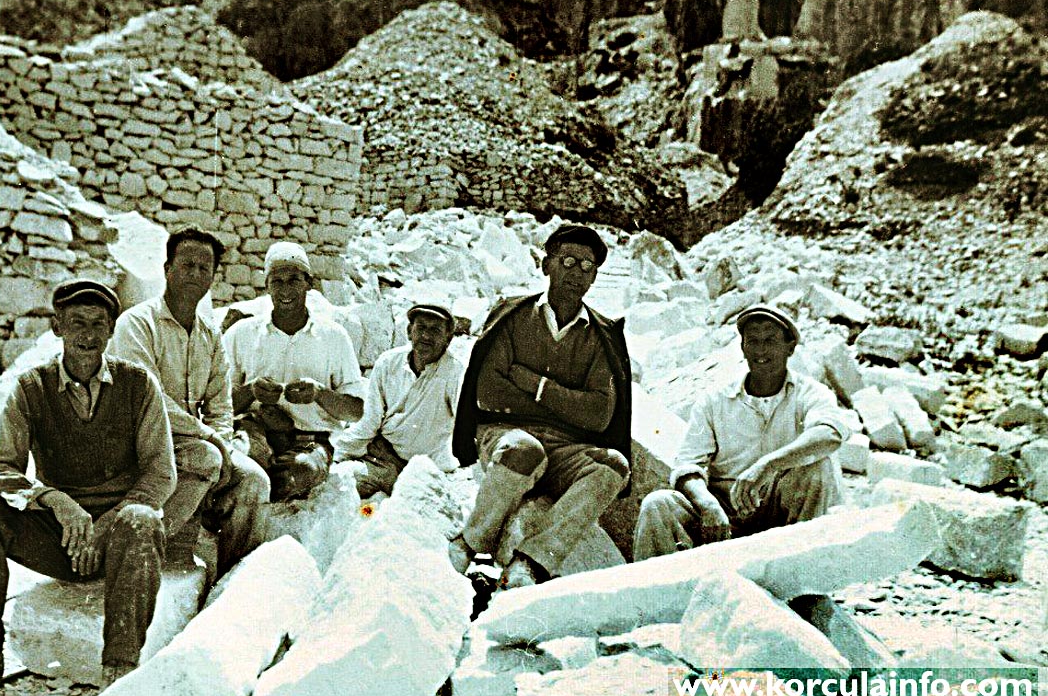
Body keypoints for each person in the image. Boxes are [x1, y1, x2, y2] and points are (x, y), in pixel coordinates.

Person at [0, 281, 175, 696]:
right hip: (59, 537)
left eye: (99, 324)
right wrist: (55, 501)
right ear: (57, 327)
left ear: (112, 330)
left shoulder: (138, 385)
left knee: (143, 518)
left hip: (122, 541)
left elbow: (161, 473)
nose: (88, 335)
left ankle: (120, 665)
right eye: (77, 323)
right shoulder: (31, 388)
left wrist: (107, 523)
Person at [450, 224, 632, 589]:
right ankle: (470, 543)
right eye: (567, 260)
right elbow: (489, 392)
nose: (576, 272)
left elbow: (599, 415)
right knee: (525, 450)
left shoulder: (602, 334)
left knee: (613, 466)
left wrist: (534, 383)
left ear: (595, 277)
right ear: (546, 264)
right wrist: (568, 402)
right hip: (506, 439)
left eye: (587, 265)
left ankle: (532, 561)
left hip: (567, 448)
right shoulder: (513, 315)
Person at [633, 304, 853, 561]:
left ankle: (805, 583)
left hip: (782, 518)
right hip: (726, 515)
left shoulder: (811, 393)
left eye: (770, 340)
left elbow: (829, 434)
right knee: (658, 504)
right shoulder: (714, 400)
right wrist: (708, 505)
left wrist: (767, 465)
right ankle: (656, 595)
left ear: (790, 347)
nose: (761, 351)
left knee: (817, 469)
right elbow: (687, 466)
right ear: (742, 347)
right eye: (753, 341)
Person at [109, 226, 269, 576]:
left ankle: (230, 580)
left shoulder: (210, 335)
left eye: (204, 268)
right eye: (187, 265)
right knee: (207, 456)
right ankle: (135, 552)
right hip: (137, 441)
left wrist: (223, 439)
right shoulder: (136, 324)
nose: (196, 274)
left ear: (213, 277)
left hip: (190, 441)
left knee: (255, 481)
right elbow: (149, 401)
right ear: (167, 269)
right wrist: (211, 439)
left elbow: (220, 404)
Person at [224, 241, 365, 502]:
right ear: (266, 285)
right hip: (255, 432)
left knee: (298, 473)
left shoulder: (334, 336)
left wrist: (320, 394)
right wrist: (251, 391)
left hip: (310, 439)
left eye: (294, 280)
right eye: (277, 281)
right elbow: (217, 406)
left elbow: (356, 411)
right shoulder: (241, 334)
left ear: (309, 283)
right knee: (240, 462)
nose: (285, 289)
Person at [333, 302, 463, 496]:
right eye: (421, 328)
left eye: (435, 330)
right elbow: (370, 420)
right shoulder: (388, 362)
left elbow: (465, 428)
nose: (426, 336)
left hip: (426, 471)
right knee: (341, 484)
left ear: (448, 338)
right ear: (409, 331)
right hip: (383, 459)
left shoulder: (455, 373)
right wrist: (338, 454)